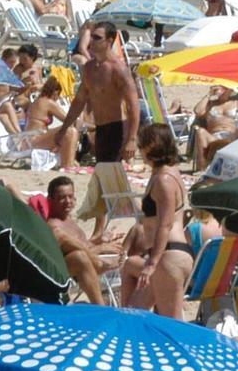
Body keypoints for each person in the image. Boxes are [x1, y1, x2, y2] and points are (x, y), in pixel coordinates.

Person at [119, 124, 193, 317]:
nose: (139, 150)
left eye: (141, 144)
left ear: (151, 146)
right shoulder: (164, 174)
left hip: (169, 256)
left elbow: (165, 224)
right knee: (131, 314)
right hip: (166, 254)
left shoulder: (164, 180)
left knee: (171, 326)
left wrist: (151, 263)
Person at [54, 21, 142, 166]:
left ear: (109, 41)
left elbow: (133, 106)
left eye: (97, 37)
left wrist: (132, 139)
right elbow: (79, 101)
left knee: (110, 176)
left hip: (117, 129)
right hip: (99, 129)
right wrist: (64, 129)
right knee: (103, 175)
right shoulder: (89, 68)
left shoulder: (118, 70)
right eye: (91, 37)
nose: (91, 41)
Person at [42, 174, 123, 304]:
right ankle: (101, 307)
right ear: (50, 200)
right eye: (62, 198)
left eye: (70, 196)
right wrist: (99, 249)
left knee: (133, 241)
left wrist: (100, 240)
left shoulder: (68, 220)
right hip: (65, 272)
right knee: (79, 256)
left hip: (88, 264)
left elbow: (82, 244)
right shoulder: (53, 225)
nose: (68, 201)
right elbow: (70, 250)